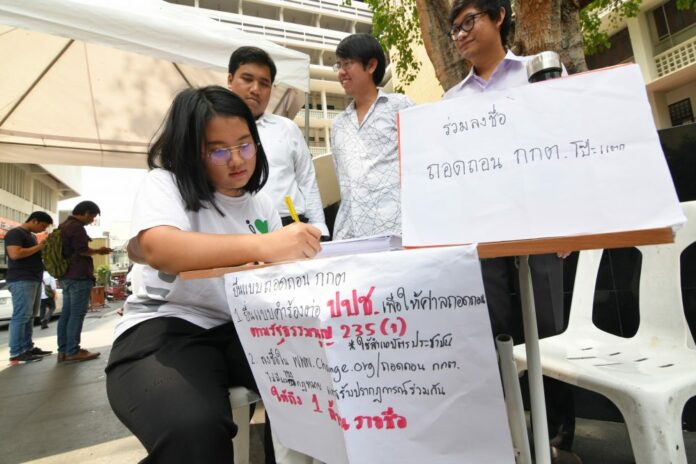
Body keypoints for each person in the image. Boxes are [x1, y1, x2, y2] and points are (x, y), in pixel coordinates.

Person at [105, 86, 321, 464]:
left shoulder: (263, 203)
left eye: (245, 144)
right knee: (193, 430)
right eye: (218, 150)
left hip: (247, 328)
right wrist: (265, 246)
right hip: (167, 328)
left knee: (320, 389)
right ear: (190, 150)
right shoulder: (165, 184)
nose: (236, 160)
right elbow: (161, 248)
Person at [444, 2, 579, 463]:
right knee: (494, 330)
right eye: (454, 29)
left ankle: (561, 434)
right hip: (482, 238)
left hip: (541, 229)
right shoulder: (451, 102)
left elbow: (565, 146)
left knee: (550, 331)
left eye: (469, 23)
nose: (460, 35)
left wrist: (566, 222)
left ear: (498, 17)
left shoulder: (540, 74)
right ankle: (507, 434)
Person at [227, 46, 330, 239]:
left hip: (291, 225)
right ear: (230, 80)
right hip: (239, 229)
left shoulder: (287, 128)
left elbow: (307, 179)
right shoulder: (214, 130)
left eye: (264, 83)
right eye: (247, 79)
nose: (255, 89)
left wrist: (320, 227)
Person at [330, 33, 415, 240]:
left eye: (347, 64)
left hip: (398, 230)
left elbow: (419, 164)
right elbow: (344, 180)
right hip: (350, 236)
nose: (341, 72)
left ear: (371, 66)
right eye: (338, 65)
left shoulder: (400, 106)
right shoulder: (337, 125)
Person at [57, 201, 112, 363]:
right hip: (78, 275)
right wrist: (98, 251)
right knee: (76, 314)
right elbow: (82, 250)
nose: (92, 220)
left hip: (66, 276)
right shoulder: (76, 227)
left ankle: (64, 350)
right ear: (86, 213)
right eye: (93, 216)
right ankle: (73, 351)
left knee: (66, 314)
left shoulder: (63, 225)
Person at [5, 211, 54, 364]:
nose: (42, 230)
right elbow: (15, 254)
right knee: (21, 316)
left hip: (33, 279)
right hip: (21, 280)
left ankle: (27, 348)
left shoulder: (31, 236)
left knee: (30, 316)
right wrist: (39, 247)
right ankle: (16, 352)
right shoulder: (15, 233)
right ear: (34, 221)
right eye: (42, 226)